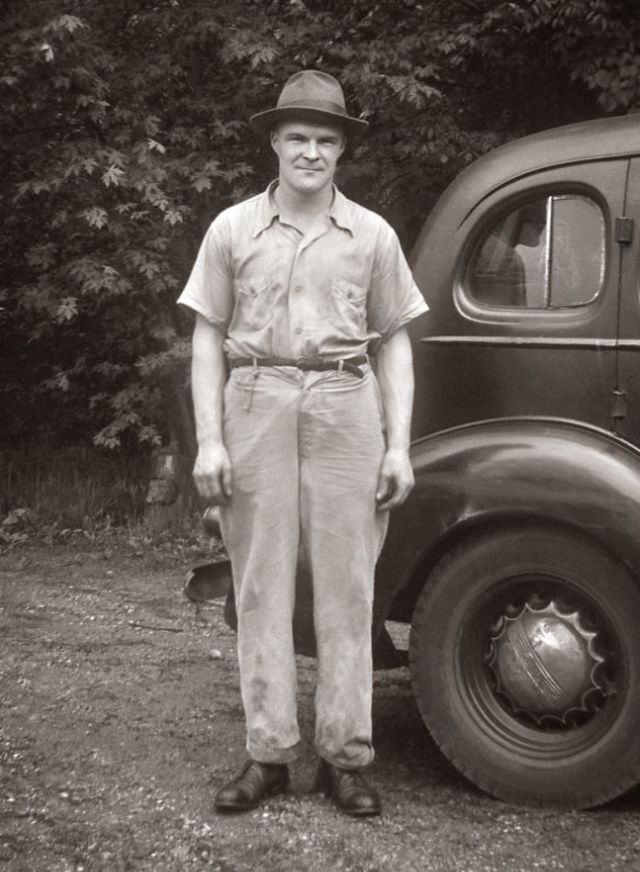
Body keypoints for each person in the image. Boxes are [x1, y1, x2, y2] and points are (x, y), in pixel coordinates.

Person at [177, 70, 428, 817]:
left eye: (325, 139)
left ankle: (343, 759)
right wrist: (209, 442)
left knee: (348, 589)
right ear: (275, 144)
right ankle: (269, 755)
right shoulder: (231, 230)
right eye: (298, 138)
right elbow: (207, 338)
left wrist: (399, 446)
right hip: (255, 401)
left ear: (342, 148)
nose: (311, 152)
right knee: (260, 585)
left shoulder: (373, 235)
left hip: (347, 405)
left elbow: (395, 344)